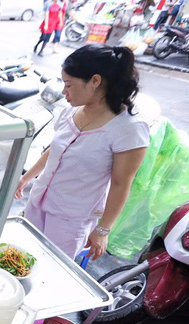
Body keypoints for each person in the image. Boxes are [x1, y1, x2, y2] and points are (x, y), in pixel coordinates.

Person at [15, 45, 149, 260]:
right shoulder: (72, 111)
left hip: (71, 219)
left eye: (69, 84)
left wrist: (103, 230)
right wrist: (26, 178)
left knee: (51, 266)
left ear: (95, 81)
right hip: (39, 199)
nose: (63, 92)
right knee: (21, 255)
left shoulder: (129, 128)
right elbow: (55, 150)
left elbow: (121, 184)